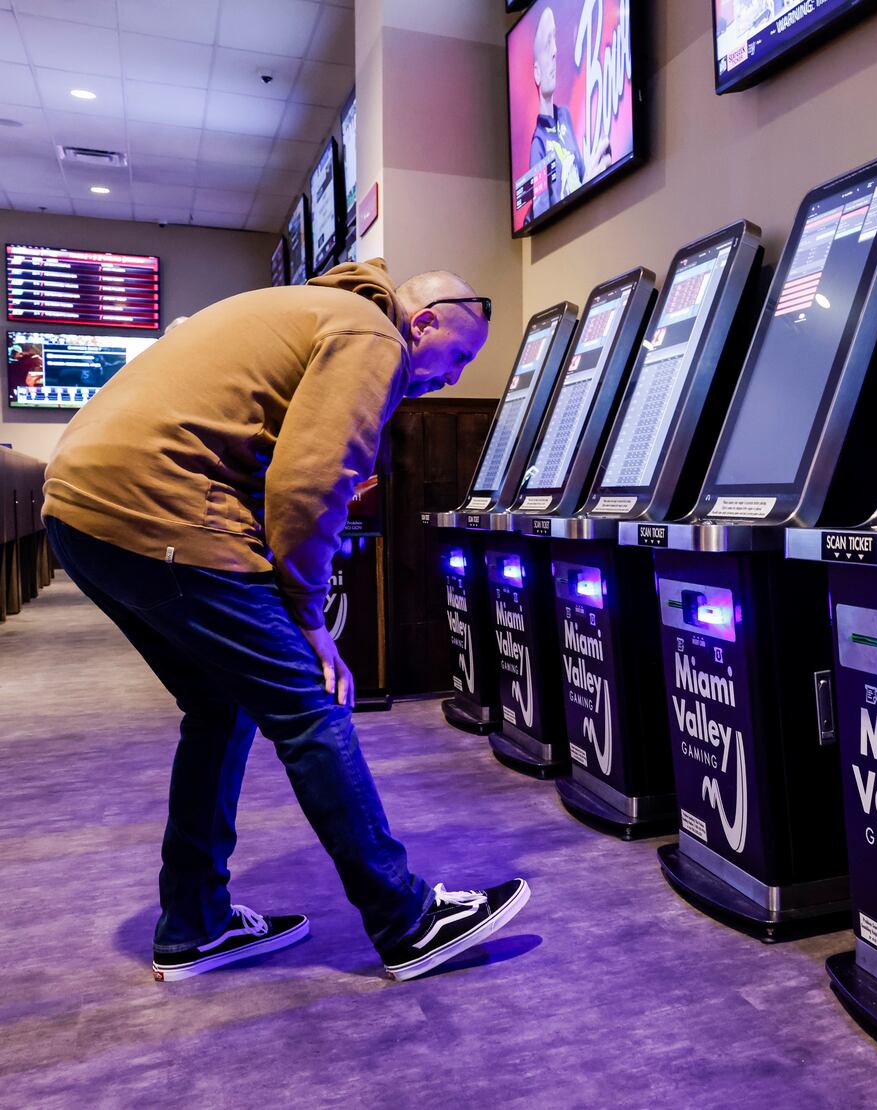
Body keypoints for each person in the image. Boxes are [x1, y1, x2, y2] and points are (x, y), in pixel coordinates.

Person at [43, 259, 529, 983]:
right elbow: (308, 485)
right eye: (456, 357)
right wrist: (308, 616)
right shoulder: (373, 335)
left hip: (81, 512)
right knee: (310, 707)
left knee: (218, 706)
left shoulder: (310, 310)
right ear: (422, 321)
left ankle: (194, 925)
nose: (453, 378)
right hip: (162, 511)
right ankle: (408, 920)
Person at [522, 5, 586, 224]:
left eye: (555, 40)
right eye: (548, 43)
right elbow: (541, 214)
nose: (555, 51)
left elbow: (583, 176)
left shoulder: (566, 116)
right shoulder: (538, 143)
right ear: (537, 72)